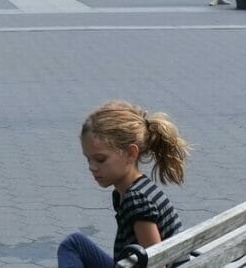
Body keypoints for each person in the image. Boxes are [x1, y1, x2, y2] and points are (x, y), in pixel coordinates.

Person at [57, 100, 188, 267]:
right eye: (88, 159)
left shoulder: (137, 199)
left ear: (131, 153)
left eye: (100, 159)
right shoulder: (138, 189)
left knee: (73, 244)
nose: (92, 167)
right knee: (75, 243)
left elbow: (157, 263)